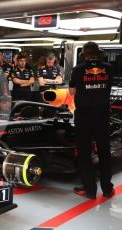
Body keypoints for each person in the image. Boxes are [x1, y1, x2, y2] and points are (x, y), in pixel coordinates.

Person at [69, 42, 115, 199]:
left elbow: (72, 91)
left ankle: (90, 190)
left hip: (84, 117)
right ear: (99, 53)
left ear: (83, 54)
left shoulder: (78, 69)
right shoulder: (109, 68)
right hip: (102, 115)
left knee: (84, 153)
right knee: (104, 151)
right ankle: (107, 188)